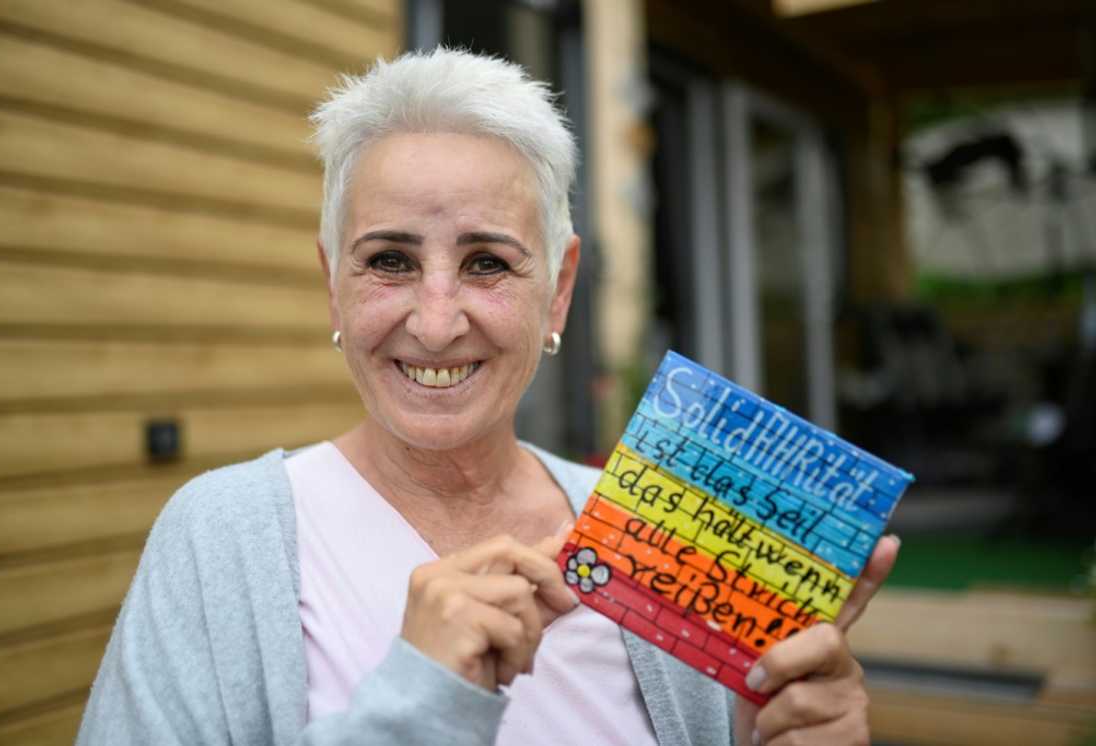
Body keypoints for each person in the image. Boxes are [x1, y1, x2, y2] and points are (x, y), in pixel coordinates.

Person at [77, 47, 897, 746]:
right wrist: (419, 701)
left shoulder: (654, 535)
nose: (436, 325)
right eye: (390, 261)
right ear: (334, 288)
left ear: (561, 291)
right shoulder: (221, 535)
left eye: (488, 263)